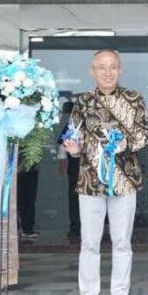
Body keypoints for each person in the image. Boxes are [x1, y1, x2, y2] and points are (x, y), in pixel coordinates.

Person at [63, 50, 148, 295]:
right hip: (90, 181)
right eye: (102, 67)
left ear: (120, 69)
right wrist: (73, 148)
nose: (108, 72)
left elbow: (144, 135)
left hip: (125, 180)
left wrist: (127, 143)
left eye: (113, 67)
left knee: (122, 241)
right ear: (92, 71)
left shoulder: (133, 99)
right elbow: (73, 137)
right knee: (89, 242)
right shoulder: (83, 102)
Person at [56, 101, 82, 242]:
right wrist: (62, 161)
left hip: (94, 169)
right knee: (75, 198)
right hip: (76, 168)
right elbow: (63, 144)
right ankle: (76, 228)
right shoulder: (74, 124)